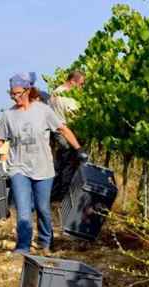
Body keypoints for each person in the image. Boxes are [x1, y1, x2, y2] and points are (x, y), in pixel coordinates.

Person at [0, 72, 88, 254]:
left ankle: (45, 241)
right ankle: (23, 246)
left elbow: (63, 130)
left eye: (18, 93)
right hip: (18, 167)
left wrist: (78, 149)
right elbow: (0, 139)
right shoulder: (9, 115)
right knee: (23, 209)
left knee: (43, 208)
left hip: (43, 167)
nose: (14, 97)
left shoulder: (43, 111)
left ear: (28, 90)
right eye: (11, 94)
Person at [49, 70, 86, 202]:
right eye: (81, 84)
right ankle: (62, 198)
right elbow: (73, 119)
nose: (82, 87)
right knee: (68, 166)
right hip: (66, 134)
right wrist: (78, 147)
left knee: (59, 166)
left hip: (56, 133)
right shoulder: (66, 97)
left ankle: (54, 197)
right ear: (72, 82)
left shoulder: (56, 91)